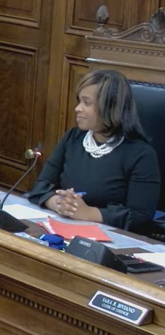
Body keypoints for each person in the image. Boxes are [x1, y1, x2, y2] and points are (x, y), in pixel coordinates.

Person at [27, 70, 160, 234]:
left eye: (86, 103)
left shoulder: (141, 154)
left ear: (110, 108)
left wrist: (88, 213)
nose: (77, 108)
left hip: (111, 238)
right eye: (79, 101)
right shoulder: (73, 138)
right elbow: (41, 185)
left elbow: (140, 216)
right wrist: (58, 203)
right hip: (60, 226)